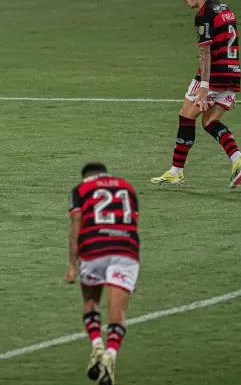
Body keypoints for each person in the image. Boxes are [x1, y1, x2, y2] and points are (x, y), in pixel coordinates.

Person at [151, 0, 241, 188]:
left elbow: (205, 53)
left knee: (186, 117)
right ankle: (238, 158)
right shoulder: (224, 9)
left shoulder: (204, 14)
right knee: (209, 122)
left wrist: (204, 87)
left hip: (212, 75)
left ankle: (176, 172)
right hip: (232, 73)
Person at [64, 162, 140, 385]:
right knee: (118, 313)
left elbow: (76, 226)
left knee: (90, 302)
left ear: (86, 176)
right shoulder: (127, 187)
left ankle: (97, 345)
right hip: (125, 251)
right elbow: (133, 222)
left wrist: (72, 266)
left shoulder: (81, 189)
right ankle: (111, 354)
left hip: (94, 251)